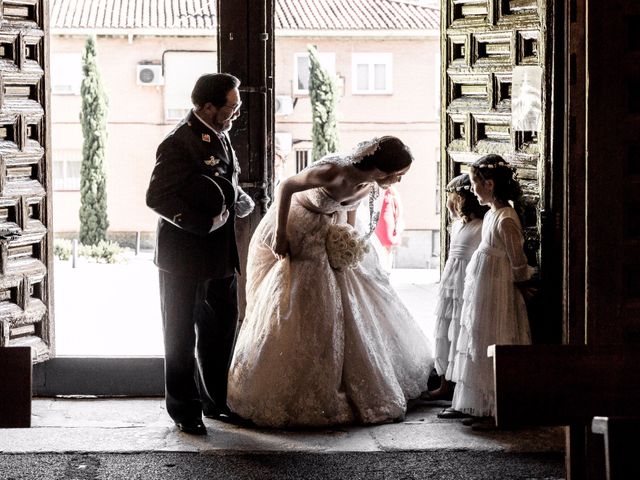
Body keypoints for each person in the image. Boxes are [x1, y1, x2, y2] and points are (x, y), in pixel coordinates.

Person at [227, 136, 433, 428]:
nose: (398, 181)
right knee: (303, 301)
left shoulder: (371, 183)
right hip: (301, 228)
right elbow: (286, 187)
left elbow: (351, 211)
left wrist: (346, 240)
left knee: (351, 298)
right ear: (382, 168)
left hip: (331, 230)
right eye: (397, 175)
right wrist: (281, 233)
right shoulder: (335, 172)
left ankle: (350, 385)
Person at [146, 73, 254, 435]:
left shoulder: (219, 135)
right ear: (208, 106)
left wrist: (237, 198)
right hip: (184, 256)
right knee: (179, 334)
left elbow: (220, 181)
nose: (236, 113)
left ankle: (215, 401)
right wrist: (199, 223)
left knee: (221, 329)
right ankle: (184, 410)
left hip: (219, 255)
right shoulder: (179, 142)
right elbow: (157, 197)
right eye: (231, 106)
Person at [449, 154, 534, 428]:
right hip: (485, 287)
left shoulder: (506, 219)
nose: (472, 190)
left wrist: (526, 282)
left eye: (475, 184)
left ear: (490, 184)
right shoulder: (491, 214)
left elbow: (517, 260)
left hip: (499, 289)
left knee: (496, 338)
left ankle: (497, 409)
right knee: (479, 337)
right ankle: (479, 404)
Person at [422, 174, 486, 413]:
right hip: (451, 283)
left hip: (465, 285)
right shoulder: (460, 225)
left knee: (460, 330)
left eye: (451, 198)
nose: (448, 203)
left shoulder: (481, 226)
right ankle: (444, 382)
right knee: (446, 330)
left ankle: (458, 384)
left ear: (461, 199)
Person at [373, 185, 404, 272]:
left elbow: (398, 207)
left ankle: (387, 268)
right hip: (377, 221)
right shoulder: (375, 189)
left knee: (387, 246)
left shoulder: (391, 190)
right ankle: (381, 267)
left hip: (388, 220)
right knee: (377, 245)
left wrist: (397, 221)